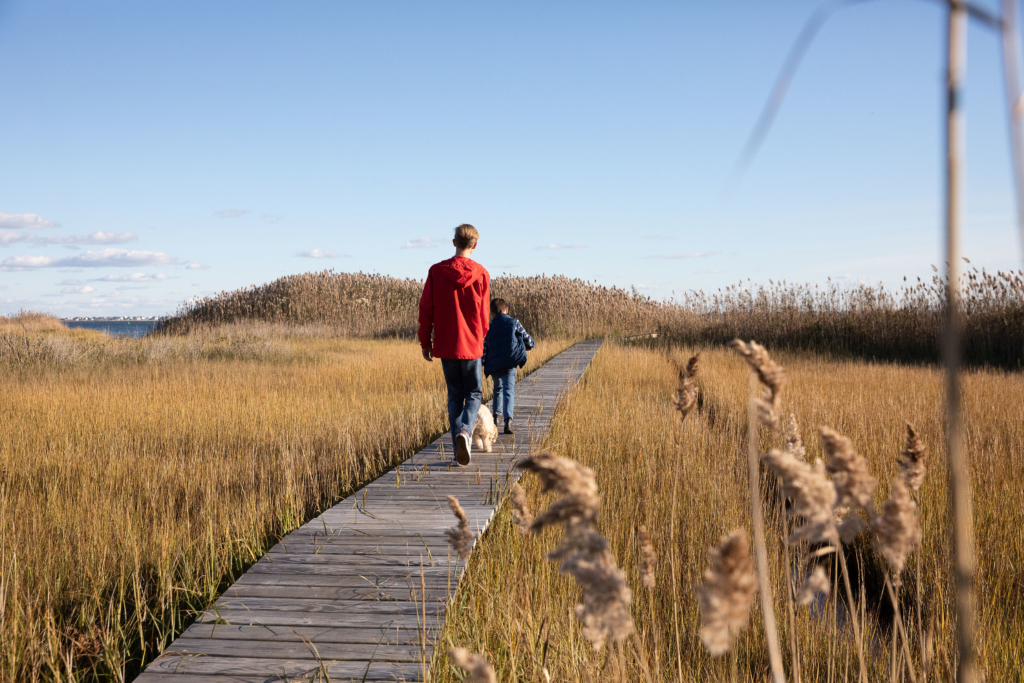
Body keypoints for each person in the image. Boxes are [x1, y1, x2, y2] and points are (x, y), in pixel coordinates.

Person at [418, 224, 491, 466]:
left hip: (446, 344)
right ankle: (466, 433)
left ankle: (457, 448)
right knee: (473, 393)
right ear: (475, 245)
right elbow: (483, 315)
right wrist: (482, 339)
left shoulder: (436, 271)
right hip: (471, 345)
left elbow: (426, 309)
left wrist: (425, 341)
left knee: (455, 395)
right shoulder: (481, 274)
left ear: (453, 242)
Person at [481, 298, 535, 435]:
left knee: (497, 388)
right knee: (508, 389)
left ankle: (495, 419)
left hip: (494, 364)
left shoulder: (488, 328)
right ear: (507, 310)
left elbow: (485, 348)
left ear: (492, 313)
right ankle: (508, 422)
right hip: (510, 361)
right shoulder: (514, 322)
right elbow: (528, 340)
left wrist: (482, 363)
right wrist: (526, 347)